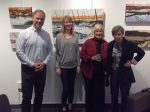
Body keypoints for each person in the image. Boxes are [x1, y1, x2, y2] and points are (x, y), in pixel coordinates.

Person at [16, 9, 53, 112]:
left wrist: (44, 63)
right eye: (37, 18)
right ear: (32, 18)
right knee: (27, 96)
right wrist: (32, 64)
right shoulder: (24, 33)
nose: (39, 21)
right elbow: (19, 52)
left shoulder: (46, 35)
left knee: (39, 94)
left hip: (42, 69)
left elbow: (51, 51)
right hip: (27, 69)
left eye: (42, 19)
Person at [106, 25, 145, 112]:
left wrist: (131, 62)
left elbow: (141, 52)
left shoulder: (129, 44)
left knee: (124, 95)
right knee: (114, 95)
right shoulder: (110, 45)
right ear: (113, 35)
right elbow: (109, 60)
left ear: (122, 34)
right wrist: (107, 73)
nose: (117, 36)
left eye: (119, 34)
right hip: (114, 74)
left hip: (125, 74)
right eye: (115, 34)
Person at [80, 23, 108, 112]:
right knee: (89, 93)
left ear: (103, 33)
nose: (99, 33)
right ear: (94, 32)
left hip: (101, 73)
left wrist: (102, 58)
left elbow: (109, 57)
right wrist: (91, 58)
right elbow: (82, 55)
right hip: (89, 73)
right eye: (97, 31)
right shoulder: (88, 42)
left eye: (100, 31)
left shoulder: (106, 44)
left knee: (100, 94)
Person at [55, 15, 80, 112]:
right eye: (66, 22)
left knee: (72, 87)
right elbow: (57, 53)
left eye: (69, 22)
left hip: (73, 66)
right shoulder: (59, 36)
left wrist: (78, 65)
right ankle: (63, 104)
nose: (68, 24)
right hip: (63, 67)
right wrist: (57, 67)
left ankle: (70, 103)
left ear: (72, 23)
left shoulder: (75, 36)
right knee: (66, 88)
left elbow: (77, 51)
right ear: (63, 24)